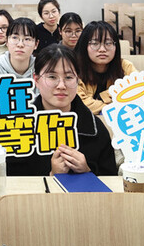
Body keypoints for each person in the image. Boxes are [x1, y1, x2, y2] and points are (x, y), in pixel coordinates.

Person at [7, 45, 117, 177]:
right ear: (36, 80)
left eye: (69, 77)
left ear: (77, 80)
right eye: (52, 77)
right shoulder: (19, 128)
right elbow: (11, 181)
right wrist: (52, 175)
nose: (61, 85)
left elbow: (111, 179)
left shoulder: (95, 129)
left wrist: (87, 171)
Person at [74, 21, 136, 115]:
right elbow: (79, 104)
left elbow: (138, 90)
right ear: (84, 45)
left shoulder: (125, 66)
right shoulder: (74, 69)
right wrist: (115, 107)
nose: (102, 49)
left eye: (108, 43)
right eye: (95, 44)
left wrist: (103, 97)